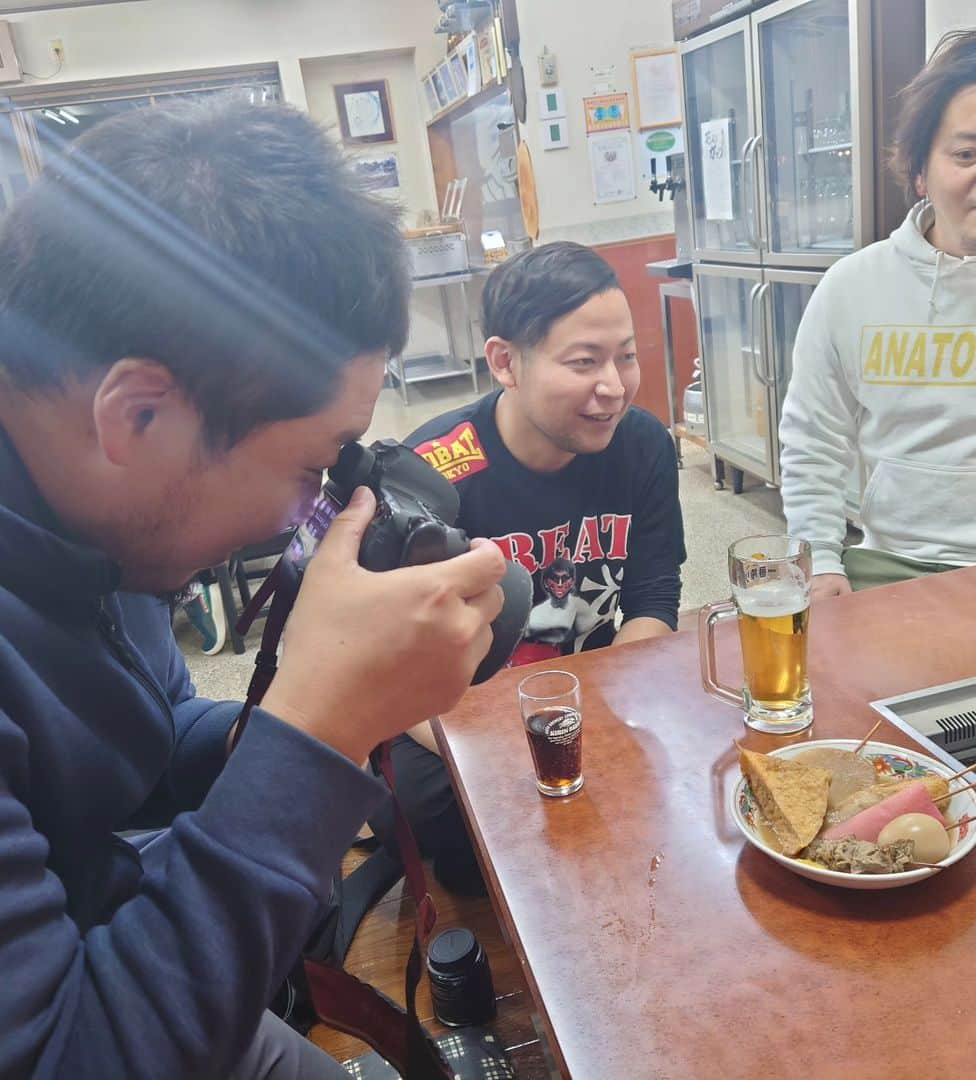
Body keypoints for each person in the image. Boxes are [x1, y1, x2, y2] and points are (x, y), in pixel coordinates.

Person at [0, 97, 507, 1078]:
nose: (309, 512)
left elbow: (133, 742)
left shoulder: (92, 506)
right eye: (313, 465)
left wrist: (268, 732)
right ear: (139, 415)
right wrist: (314, 732)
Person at [369, 242, 686, 894]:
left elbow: (654, 601)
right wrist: (514, 751)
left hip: (593, 699)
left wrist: (590, 731)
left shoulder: (644, 445)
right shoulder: (433, 472)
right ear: (505, 362)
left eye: (625, 356)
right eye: (583, 362)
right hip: (459, 715)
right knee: (455, 830)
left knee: (663, 792)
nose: (614, 386)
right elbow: (390, 672)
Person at [779, 25, 976, 600]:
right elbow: (813, 439)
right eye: (967, 153)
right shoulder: (852, 286)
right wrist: (819, 561)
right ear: (920, 168)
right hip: (890, 567)